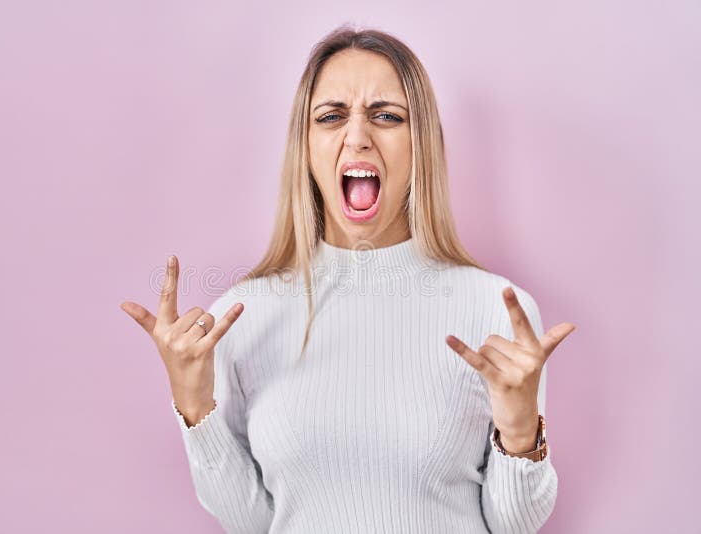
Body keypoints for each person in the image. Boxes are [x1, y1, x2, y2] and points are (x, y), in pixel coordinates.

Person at [120, 24, 575, 534]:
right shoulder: (240, 318)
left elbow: (512, 526)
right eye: (331, 116)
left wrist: (519, 432)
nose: (357, 137)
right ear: (306, 146)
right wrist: (194, 406)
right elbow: (253, 524)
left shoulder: (494, 309)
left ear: (420, 142)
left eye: (386, 116)